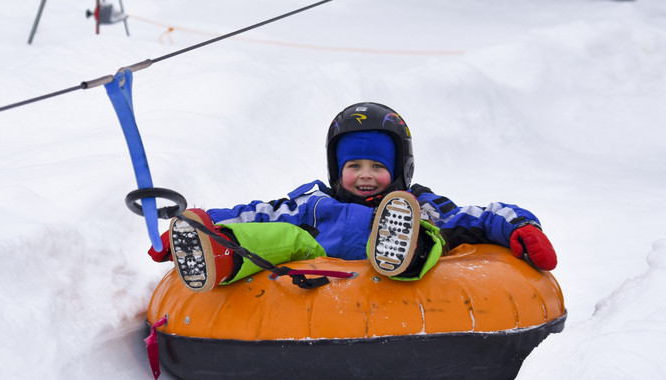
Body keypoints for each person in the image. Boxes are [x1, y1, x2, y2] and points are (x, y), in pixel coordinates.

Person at [149, 102, 557, 292]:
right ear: (336, 170)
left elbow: (480, 216)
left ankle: (402, 248)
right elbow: (255, 213)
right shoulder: (315, 203)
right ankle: (219, 253)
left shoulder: (420, 201)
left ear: (398, 171)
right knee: (287, 237)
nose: (365, 176)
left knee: (431, 232)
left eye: (377, 167)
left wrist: (521, 226)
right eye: (353, 166)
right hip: (322, 272)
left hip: (397, 266)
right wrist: (201, 223)